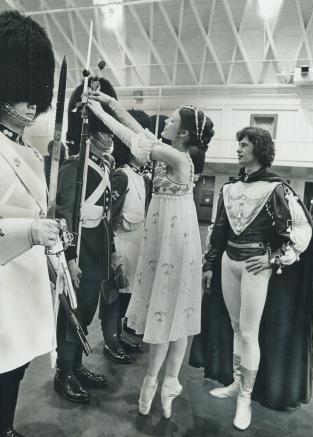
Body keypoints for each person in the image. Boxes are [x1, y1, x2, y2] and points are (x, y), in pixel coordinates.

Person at [87, 93, 214, 419]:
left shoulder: (178, 159)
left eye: (171, 121)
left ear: (183, 134)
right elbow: (138, 130)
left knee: (177, 314)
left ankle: (166, 381)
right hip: (164, 237)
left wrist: (100, 112)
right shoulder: (170, 151)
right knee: (165, 312)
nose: (165, 123)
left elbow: (132, 136)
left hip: (177, 241)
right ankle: (155, 380)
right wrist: (110, 103)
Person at [189, 127, 313, 431]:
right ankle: (236, 382)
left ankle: (245, 396)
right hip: (228, 262)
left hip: (255, 268)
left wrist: (273, 258)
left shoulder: (276, 189)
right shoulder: (229, 188)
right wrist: (209, 265)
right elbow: (219, 229)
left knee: (248, 332)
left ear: (258, 149)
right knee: (235, 328)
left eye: (243, 145)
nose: (238, 149)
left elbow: (303, 231)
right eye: (238, 145)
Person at [0, 10, 58, 437]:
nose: (34, 103)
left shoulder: (30, 153)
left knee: (14, 374)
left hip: (25, 287)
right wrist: (30, 231)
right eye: (25, 92)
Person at [54, 78, 127, 403]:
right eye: (102, 129)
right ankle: (63, 373)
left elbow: (108, 214)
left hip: (97, 248)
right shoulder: (74, 166)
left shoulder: (103, 164)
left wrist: (111, 251)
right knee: (75, 313)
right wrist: (69, 257)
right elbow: (65, 215)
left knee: (87, 312)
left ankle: (77, 365)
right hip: (80, 250)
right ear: (91, 131)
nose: (108, 136)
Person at [103, 109, 152, 359]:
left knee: (124, 300)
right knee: (113, 300)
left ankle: (119, 335)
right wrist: (114, 257)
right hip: (121, 249)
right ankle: (111, 343)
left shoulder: (141, 178)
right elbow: (108, 220)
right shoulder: (121, 177)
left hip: (136, 249)